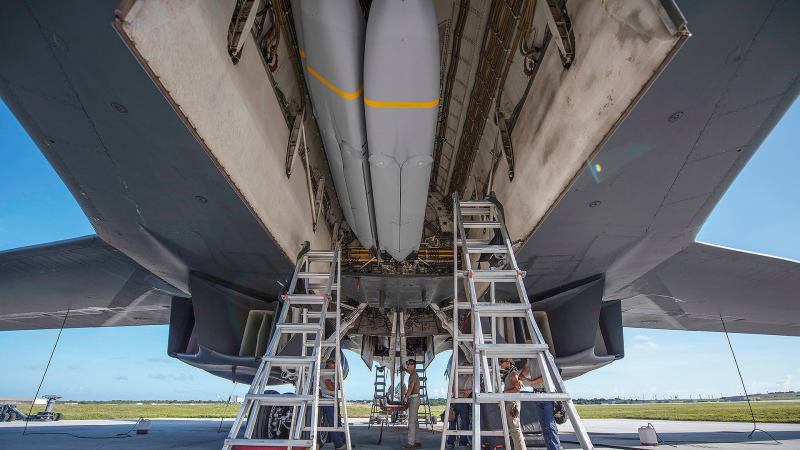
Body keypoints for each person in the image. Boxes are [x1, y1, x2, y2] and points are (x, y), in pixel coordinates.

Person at [520, 362, 561, 450]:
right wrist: (518, 378)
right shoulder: (530, 359)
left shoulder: (545, 357)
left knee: (550, 426)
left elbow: (546, 377)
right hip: (537, 395)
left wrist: (530, 381)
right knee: (544, 426)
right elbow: (524, 372)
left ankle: (555, 448)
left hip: (547, 395)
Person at [499, 358, 526, 450]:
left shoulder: (513, 373)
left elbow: (517, 390)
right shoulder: (510, 372)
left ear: (508, 362)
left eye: (501, 362)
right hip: (510, 403)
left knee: (515, 429)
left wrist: (503, 393)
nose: (500, 364)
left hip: (512, 404)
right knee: (514, 429)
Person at [320, 357, 346, 450]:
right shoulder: (326, 373)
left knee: (338, 422)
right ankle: (339, 445)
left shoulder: (331, 373)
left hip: (333, 399)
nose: (335, 365)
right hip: (328, 400)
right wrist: (339, 384)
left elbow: (334, 386)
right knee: (333, 423)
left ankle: (343, 442)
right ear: (328, 363)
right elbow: (330, 387)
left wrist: (337, 384)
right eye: (333, 363)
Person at [446, 360, 473, 449]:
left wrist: (463, 391)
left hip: (464, 402)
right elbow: (454, 390)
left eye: (467, 366)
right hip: (455, 401)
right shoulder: (457, 377)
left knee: (465, 422)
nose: (465, 367)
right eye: (464, 366)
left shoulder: (472, 377)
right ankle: (450, 442)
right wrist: (466, 391)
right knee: (452, 421)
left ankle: (463, 443)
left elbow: (474, 389)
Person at [401, 359, 420, 449]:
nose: (407, 366)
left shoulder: (413, 375)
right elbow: (409, 372)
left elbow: (411, 386)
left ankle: (410, 443)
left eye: (408, 365)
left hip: (413, 399)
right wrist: (404, 369)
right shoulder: (413, 374)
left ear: (413, 365)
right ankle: (417, 441)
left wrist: (405, 398)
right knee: (415, 422)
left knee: (411, 422)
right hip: (416, 399)